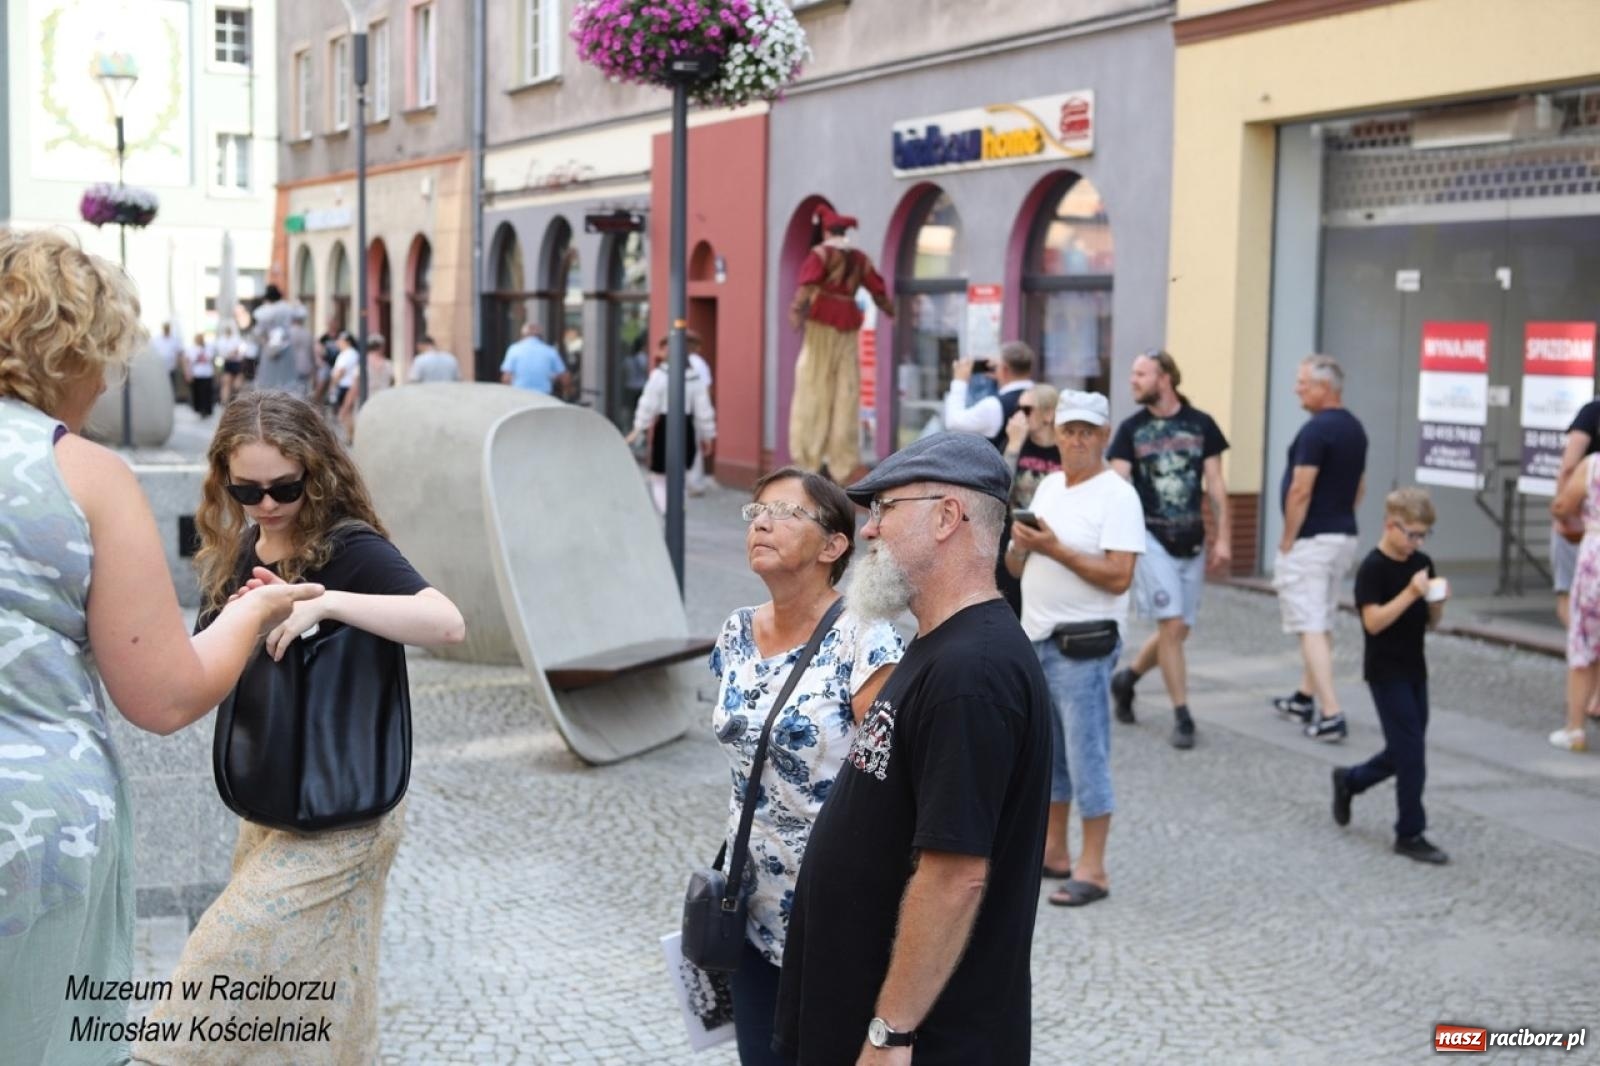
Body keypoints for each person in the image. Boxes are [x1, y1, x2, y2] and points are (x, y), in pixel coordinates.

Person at [0, 229, 322, 1065]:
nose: (107, 381)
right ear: (62, 350)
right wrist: (252, 613)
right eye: (103, 356)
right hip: (28, 835)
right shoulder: (79, 476)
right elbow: (164, 694)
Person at [135, 391, 465, 1065]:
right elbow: (207, 660)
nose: (266, 503)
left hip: (347, 815)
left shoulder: (350, 549)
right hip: (270, 801)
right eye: (246, 488)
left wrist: (325, 602)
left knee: (222, 956)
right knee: (323, 997)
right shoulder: (244, 547)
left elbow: (447, 622)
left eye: (284, 486)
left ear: (315, 471)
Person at [775, 432, 1053, 1065]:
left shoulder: (973, 673)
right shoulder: (941, 645)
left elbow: (955, 875)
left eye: (887, 509)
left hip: (923, 1041)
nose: (870, 530)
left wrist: (890, 1033)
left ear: (947, 516)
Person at [710, 468, 903, 1066]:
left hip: (834, 918)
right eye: (757, 511)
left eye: (786, 513)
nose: (762, 523)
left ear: (833, 546)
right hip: (750, 907)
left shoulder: (866, 640)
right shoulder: (736, 632)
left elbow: (895, 781)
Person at [1006, 391, 1145, 907]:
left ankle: (1095, 868)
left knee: (1088, 757)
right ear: (1056, 433)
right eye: (1069, 430)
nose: (1077, 439)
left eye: (1088, 431)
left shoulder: (1118, 495)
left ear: (1105, 436)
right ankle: (1055, 851)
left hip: (1083, 645)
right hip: (1037, 637)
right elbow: (1018, 568)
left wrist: (1052, 548)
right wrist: (1021, 546)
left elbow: (1118, 577)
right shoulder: (1047, 488)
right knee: (1050, 758)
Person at [1107, 350, 1232, 749]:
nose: (1133, 380)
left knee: (1180, 629)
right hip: (1152, 540)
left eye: (1140, 373)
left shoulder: (1201, 425)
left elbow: (1215, 485)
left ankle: (1128, 678)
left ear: (1165, 378)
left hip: (1191, 540)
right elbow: (1117, 484)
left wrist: (1224, 537)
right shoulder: (1130, 430)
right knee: (1171, 626)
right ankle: (1182, 715)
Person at [1331, 488, 1449, 863]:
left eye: (1423, 535)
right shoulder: (1374, 568)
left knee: (1404, 750)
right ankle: (1409, 832)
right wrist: (1411, 595)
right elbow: (1373, 622)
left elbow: (1431, 623)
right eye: (1411, 534)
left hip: (1416, 668)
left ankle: (1350, 780)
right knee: (1412, 753)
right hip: (1385, 672)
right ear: (1390, 525)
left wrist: (1436, 604)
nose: (1416, 543)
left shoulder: (1422, 563)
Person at [1271, 354, 1367, 742]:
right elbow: (1359, 487)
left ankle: (1331, 712)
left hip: (1312, 540)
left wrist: (1288, 538)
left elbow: (1300, 489)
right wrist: (1340, 516)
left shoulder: (1315, 431)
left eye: (1303, 383)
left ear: (1324, 388)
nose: (1297, 389)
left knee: (1310, 624)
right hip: (1342, 535)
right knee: (1321, 619)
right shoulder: (1355, 429)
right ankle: (1304, 697)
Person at [787, 204, 893, 480]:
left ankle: (808, 456)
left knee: (812, 386)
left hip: (821, 326)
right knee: (847, 392)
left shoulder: (820, 254)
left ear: (826, 230)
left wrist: (796, 312)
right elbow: (878, 290)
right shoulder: (860, 258)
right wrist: (891, 310)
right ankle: (842, 463)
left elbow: (807, 286)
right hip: (847, 328)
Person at [626, 335, 716, 515]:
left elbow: (648, 403)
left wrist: (639, 427)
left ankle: (669, 511)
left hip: (666, 427)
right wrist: (708, 434)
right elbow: (703, 408)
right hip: (687, 426)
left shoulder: (660, 375)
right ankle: (676, 508)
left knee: (659, 476)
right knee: (679, 475)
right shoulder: (693, 377)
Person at [996, 383, 1062, 615]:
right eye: (1017, 409)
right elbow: (999, 489)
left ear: (1048, 414)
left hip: (1054, 537)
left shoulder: (1065, 447)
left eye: (1026, 410)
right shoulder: (1016, 443)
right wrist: (1013, 446)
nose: (1018, 416)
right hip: (1015, 539)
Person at [1551, 446, 1600, 752]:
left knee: (1582, 640)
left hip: (1596, 559)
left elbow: (1562, 506)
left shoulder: (1593, 465)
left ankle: (1575, 729)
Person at [943, 341, 1037, 449]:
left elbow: (953, 422)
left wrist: (959, 381)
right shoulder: (1041, 396)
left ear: (1005, 369)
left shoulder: (994, 405)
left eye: (996, 366)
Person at [339, 333, 394, 440]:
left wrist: (345, 407)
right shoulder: (388, 364)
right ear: (381, 347)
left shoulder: (362, 365)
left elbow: (354, 388)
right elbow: (392, 384)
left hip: (365, 405)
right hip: (385, 405)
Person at [500, 321, 569, 397]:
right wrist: (566, 394)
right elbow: (564, 377)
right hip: (544, 395)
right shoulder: (550, 351)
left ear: (523, 335)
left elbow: (506, 377)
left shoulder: (514, 349)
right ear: (540, 336)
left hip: (520, 394)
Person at [183, 331, 216, 418]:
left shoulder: (209, 347)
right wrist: (188, 373)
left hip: (207, 374)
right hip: (196, 374)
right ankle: (199, 409)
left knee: (206, 393)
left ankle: (206, 410)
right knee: (198, 393)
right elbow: (188, 361)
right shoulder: (191, 348)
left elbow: (210, 358)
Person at [151, 320, 184, 401]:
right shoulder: (156, 339)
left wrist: (179, 364)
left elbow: (179, 353)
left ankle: (171, 400)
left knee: (171, 385)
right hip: (160, 368)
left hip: (172, 367)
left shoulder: (175, 339)